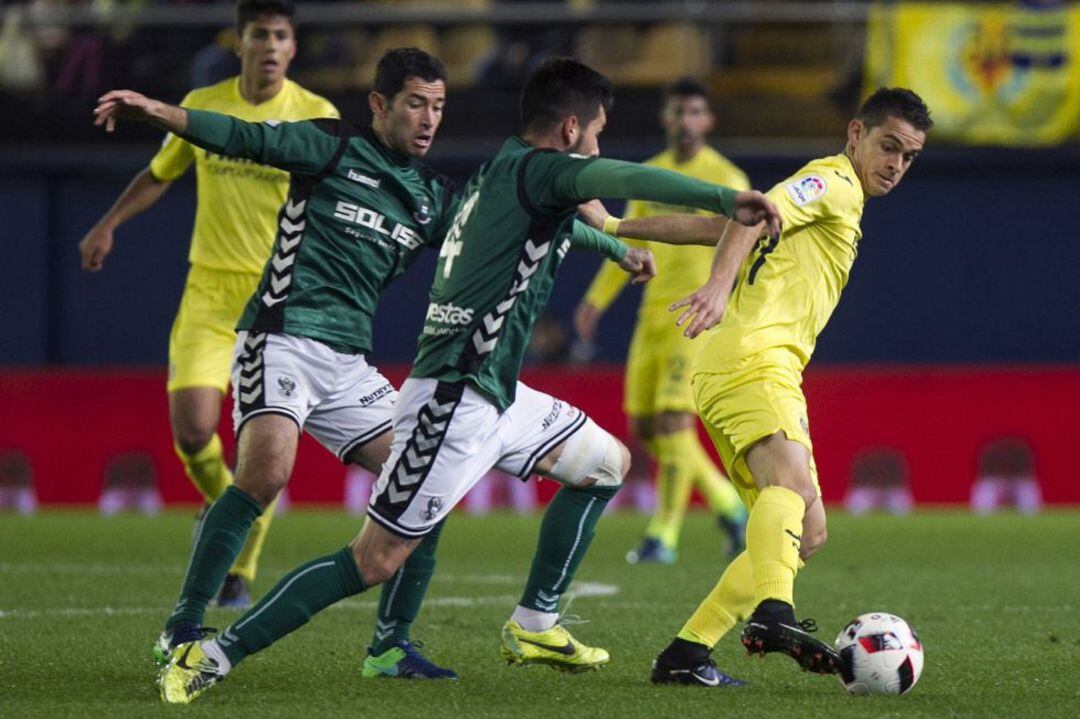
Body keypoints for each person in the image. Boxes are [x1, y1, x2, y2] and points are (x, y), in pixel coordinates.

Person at [93, 56, 782, 704]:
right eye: (596, 132)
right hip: (433, 391)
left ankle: (529, 623)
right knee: (372, 555)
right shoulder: (534, 169)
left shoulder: (481, 179)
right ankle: (206, 652)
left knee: (606, 462)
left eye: (438, 105)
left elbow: (588, 218)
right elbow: (627, 180)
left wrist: (621, 247)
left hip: (485, 392)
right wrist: (727, 195)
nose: (429, 118)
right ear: (571, 128)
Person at [649, 87, 932, 687]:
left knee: (806, 530)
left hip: (762, 366)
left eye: (908, 157)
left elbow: (722, 224)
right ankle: (773, 615)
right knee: (792, 486)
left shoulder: (840, 199)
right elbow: (753, 212)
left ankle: (687, 653)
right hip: (752, 358)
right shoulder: (830, 181)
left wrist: (620, 224)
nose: (895, 165)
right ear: (855, 134)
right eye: (888, 147)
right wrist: (720, 288)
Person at [78, 0, 337, 608]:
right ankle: (228, 506)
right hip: (209, 293)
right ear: (239, 43)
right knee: (194, 433)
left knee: (260, 444)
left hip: (277, 302)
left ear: (292, 48)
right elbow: (160, 173)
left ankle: (239, 559)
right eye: (259, 35)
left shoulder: (315, 115)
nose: (270, 46)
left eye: (281, 36)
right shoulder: (202, 105)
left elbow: (331, 199)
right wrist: (109, 222)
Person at [575, 77, 748, 566]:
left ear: (708, 120)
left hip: (694, 317)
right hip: (650, 316)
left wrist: (724, 303)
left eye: (695, 112)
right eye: (678, 111)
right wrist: (596, 300)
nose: (686, 121)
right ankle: (728, 506)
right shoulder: (648, 174)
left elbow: (739, 246)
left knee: (674, 425)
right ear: (666, 118)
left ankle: (662, 537)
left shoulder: (726, 177)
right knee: (649, 429)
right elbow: (630, 243)